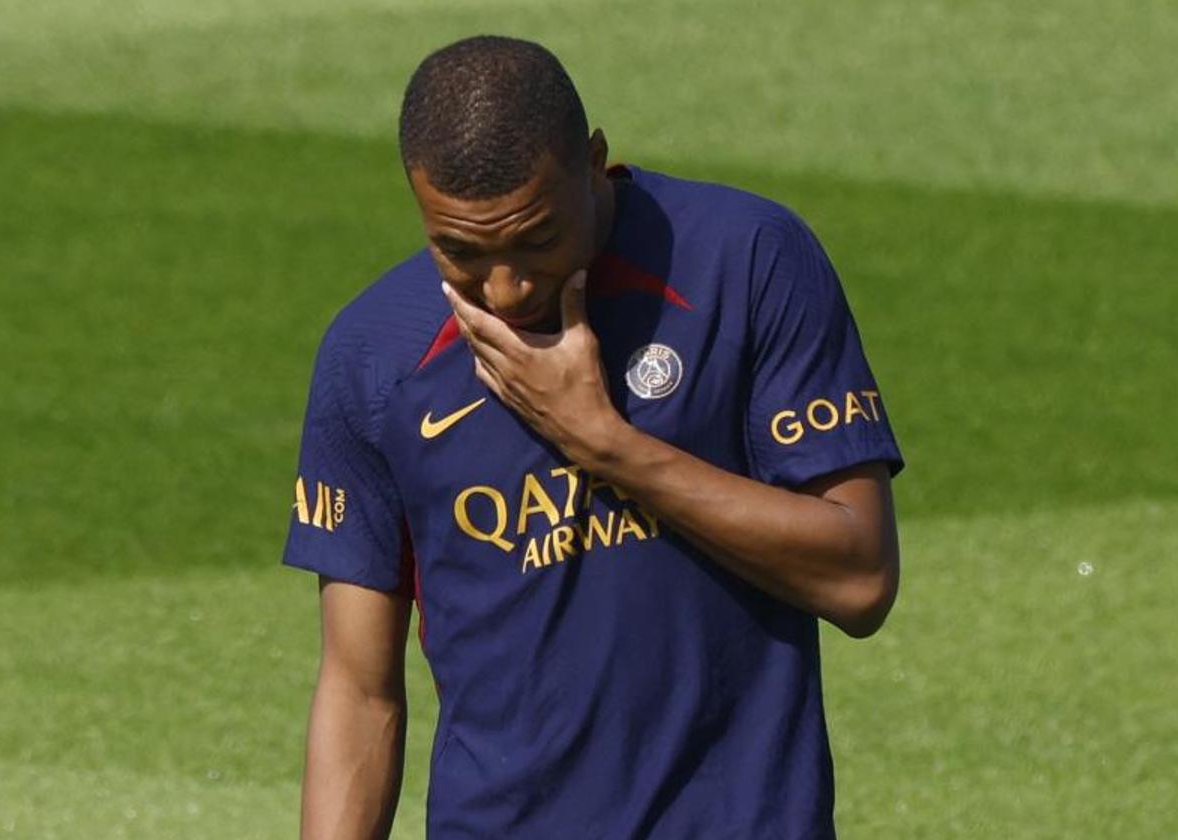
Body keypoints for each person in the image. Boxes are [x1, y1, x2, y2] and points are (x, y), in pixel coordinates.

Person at [284, 34, 903, 840]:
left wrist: (605, 444)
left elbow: (858, 580)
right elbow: (360, 693)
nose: (506, 290)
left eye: (537, 238)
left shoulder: (744, 260)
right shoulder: (375, 355)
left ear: (594, 162)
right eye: (461, 253)